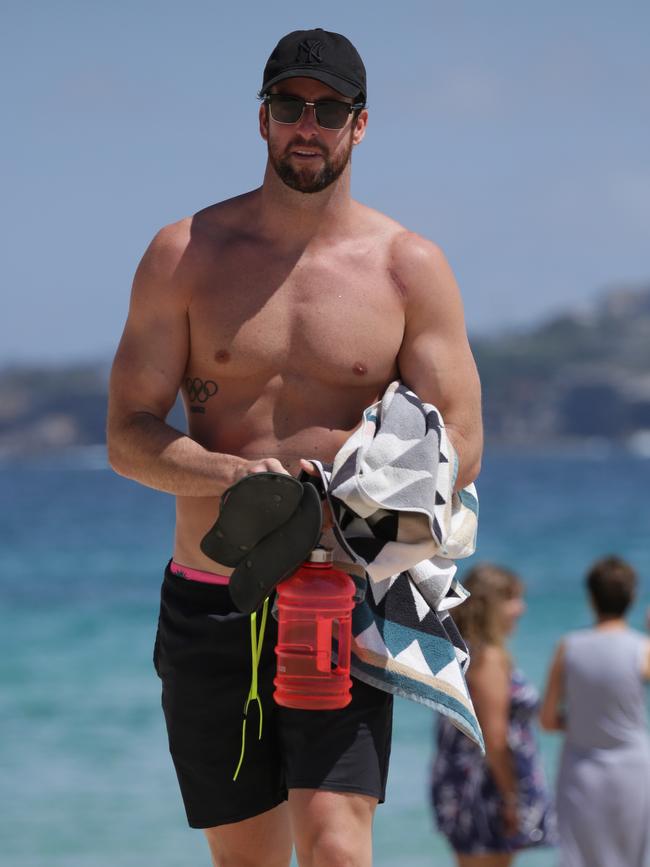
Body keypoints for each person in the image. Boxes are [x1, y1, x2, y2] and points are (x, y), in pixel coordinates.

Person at [107, 26, 482, 867]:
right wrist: (237, 474)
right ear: (264, 118)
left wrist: (354, 488)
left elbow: (463, 441)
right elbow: (127, 433)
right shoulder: (185, 255)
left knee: (339, 850)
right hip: (213, 599)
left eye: (328, 110)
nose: (306, 126)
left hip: (339, 593)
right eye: (289, 107)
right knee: (248, 862)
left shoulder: (407, 268)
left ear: (360, 124)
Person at [431, 564, 556, 867]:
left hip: (466, 784)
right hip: (485, 788)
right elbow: (495, 738)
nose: (521, 609)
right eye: (513, 599)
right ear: (491, 606)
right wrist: (512, 797)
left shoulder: (466, 653)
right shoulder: (488, 659)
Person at [540, 555, 650, 867]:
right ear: (632, 597)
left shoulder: (569, 646)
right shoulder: (642, 648)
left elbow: (547, 720)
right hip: (634, 768)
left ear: (590, 599)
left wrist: (580, 723)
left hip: (581, 770)